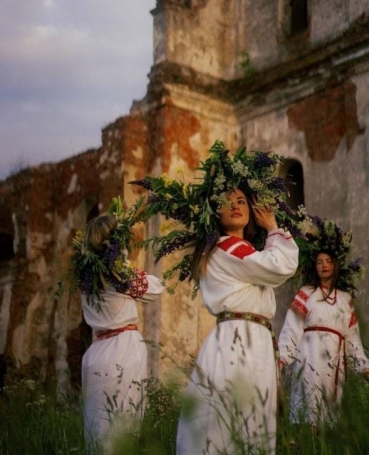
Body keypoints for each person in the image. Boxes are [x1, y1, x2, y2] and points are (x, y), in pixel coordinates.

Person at [133, 141, 300, 454]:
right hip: (240, 339)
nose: (235, 205)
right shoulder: (226, 248)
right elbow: (281, 265)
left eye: (241, 201)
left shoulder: (240, 252)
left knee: (244, 421)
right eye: (226, 201)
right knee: (234, 421)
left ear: (251, 211)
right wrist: (274, 227)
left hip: (250, 337)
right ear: (214, 212)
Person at [72, 205, 163, 452]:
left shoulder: (85, 275)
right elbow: (154, 289)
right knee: (125, 425)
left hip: (96, 352)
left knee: (97, 430)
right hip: (123, 348)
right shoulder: (118, 273)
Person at [278, 217, 369, 427]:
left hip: (334, 363)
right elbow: (292, 328)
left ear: (336, 265)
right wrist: (281, 359)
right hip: (308, 358)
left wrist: (367, 373)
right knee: (307, 414)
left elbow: (353, 339)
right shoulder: (306, 294)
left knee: (330, 418)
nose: (324, 266)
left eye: (328, 261)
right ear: (314, 267)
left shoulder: (345, 300)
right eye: (319, 262)